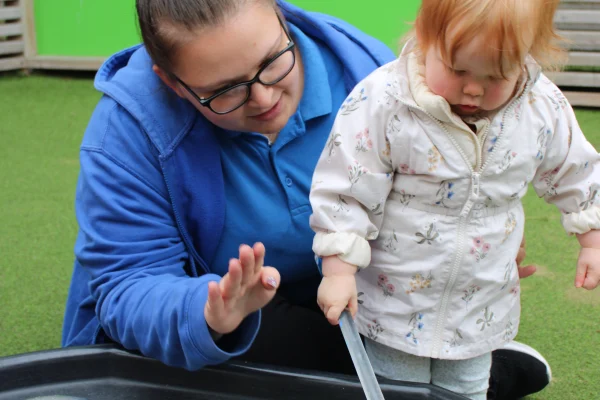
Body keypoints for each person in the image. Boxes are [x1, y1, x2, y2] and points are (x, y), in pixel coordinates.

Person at [61, 0, 550, 398]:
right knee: (240, 344)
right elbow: (126, 285)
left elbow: (438, 179)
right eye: (224, 91)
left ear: (280, 14)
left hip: (350, 291)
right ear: (173, 83)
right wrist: (209, 313)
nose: (263, 98)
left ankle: (436, 366)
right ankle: (457, 374)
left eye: (272, 62)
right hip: (234, 325)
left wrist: (470, 236)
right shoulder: (125, 133)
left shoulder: (369, 74)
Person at [309, 0, 600, 398]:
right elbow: (347, 187)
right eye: (457, 70)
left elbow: (576, 169)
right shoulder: (386, 100)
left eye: (496, 75)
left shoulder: (540, 107)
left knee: (466, 389)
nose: (473, 89)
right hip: (396, 299)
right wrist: (338, 271)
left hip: (479, 302)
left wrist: (593, 239)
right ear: (426, 39)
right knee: (398, 390)